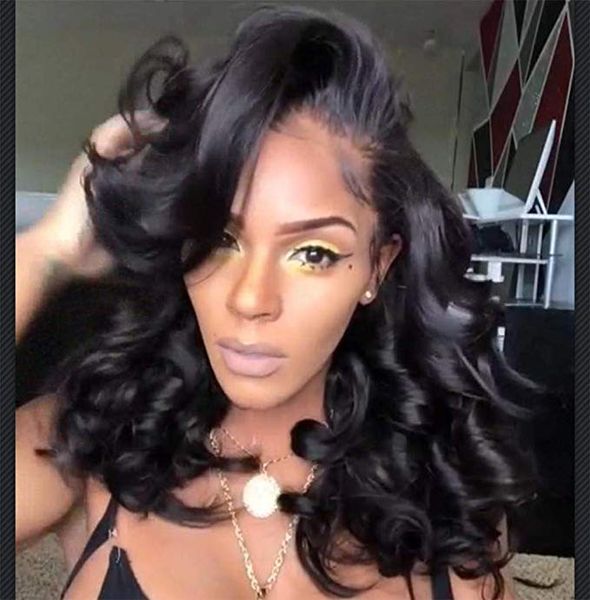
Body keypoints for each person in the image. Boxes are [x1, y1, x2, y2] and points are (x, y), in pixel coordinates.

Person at [15, 6, 535, 599]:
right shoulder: (93, 437)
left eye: (312, 253)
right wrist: (45, 251)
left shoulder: (449, 513)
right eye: (220, 239)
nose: (251, 298)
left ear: (377, 265)